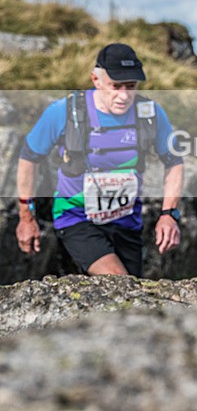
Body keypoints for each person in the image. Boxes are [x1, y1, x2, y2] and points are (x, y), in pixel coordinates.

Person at [15, 43, 184, 277]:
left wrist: (169, 214)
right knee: (120, 283)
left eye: (131, 86)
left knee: (130, 301)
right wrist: (26, 216)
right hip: (76, 218)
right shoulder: (64, 112)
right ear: (96, 80)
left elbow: (174, 163)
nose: (124, 95)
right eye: (115, 86)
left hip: (126, 223)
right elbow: (29, 158)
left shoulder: (151, 114)